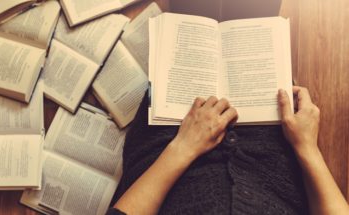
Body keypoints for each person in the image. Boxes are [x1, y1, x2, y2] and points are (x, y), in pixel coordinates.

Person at [107, 87, 349, 215]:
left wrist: (183, 147)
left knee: (186, 22)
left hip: (167, 156)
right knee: (256, 22)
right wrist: (307, 147)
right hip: (275, 156)